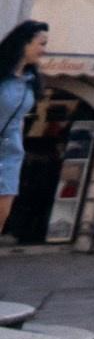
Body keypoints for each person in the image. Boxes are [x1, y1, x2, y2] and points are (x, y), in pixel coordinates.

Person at [0, 20, 47, 241]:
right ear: (24, 44)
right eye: (41, 43)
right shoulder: (2, 76)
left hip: (10, 157)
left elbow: (19, 119)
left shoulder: (30, 82)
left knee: (1, 217)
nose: (43, 49)